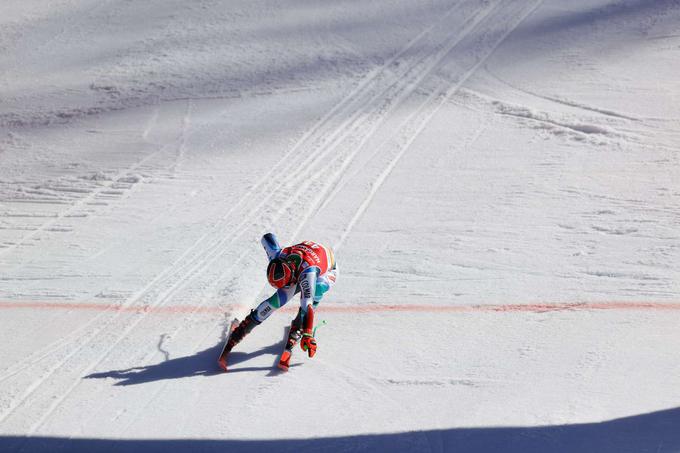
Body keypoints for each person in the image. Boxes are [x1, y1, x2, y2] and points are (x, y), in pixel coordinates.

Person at [218, 233, 338, 371]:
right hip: (299, 262)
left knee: (316, 291)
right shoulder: (277, 255)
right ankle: (245, 327)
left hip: (326, 271)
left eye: (286, 284)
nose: (285, 288)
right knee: (274, 302)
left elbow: (308, 306)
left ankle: (298, 325)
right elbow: (267, 237)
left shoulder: (308, 274)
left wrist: (308, 333)